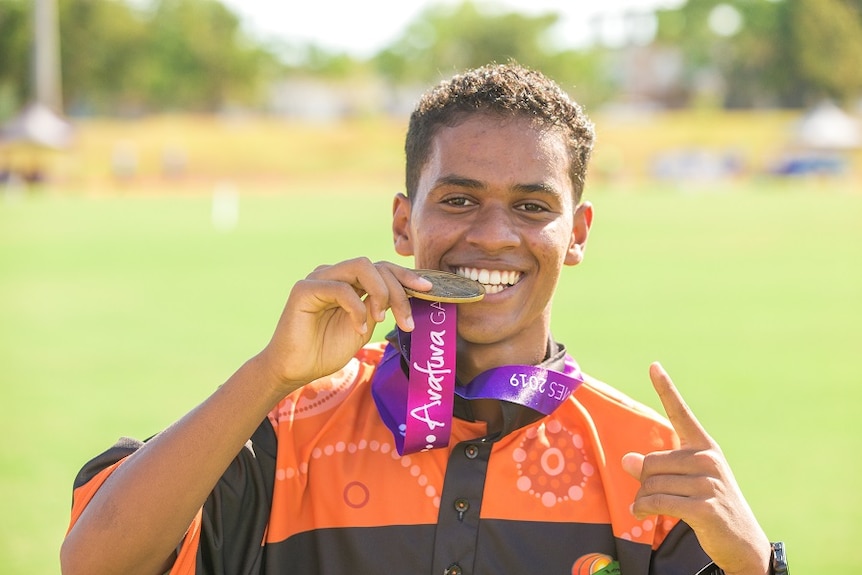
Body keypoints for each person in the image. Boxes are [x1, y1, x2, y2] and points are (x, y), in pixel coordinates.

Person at [61, 63, 784, 575]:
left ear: (580, 232)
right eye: (460, 199)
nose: (494, 235)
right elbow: (95, 564)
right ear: (404, 222)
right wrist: (271, 374)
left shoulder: (650, 466)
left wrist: (755, 564)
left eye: (532, 206)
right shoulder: (286, 428)